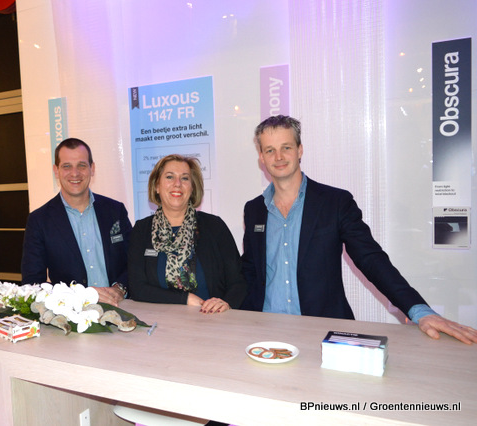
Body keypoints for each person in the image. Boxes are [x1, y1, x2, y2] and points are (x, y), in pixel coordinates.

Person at [241, 115, 477, 344]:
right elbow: (249, 271)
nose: (279, 157)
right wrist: (226, 303)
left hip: (323, 333)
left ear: (300, 150)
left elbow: (371, 259)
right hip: (265, 333)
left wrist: (418, 310)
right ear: (261, 157)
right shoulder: (254, 210)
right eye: (270, 150)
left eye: (286, 147)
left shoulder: (335, 203)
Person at [128, 154, 247, 313]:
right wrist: (184, 299)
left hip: (210, 320)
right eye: (169, 177)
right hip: (159, 322)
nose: (177, 184)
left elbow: (238, 281)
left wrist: (226, 303)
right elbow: (137, 287)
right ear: (157, 186)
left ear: (192, 188)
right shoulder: (141, 230)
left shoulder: (214, 226)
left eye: (185, 178)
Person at [21, 138, 132, 306]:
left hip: (120, 307)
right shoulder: (39, 220)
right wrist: (80, 296)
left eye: (82, 165)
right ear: (56, 171)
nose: (75, 173)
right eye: (67, 166)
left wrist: (120, 288)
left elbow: (134, 261)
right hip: (71, 314)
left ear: (92, 168)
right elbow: (32, 283)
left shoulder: (115, 211)